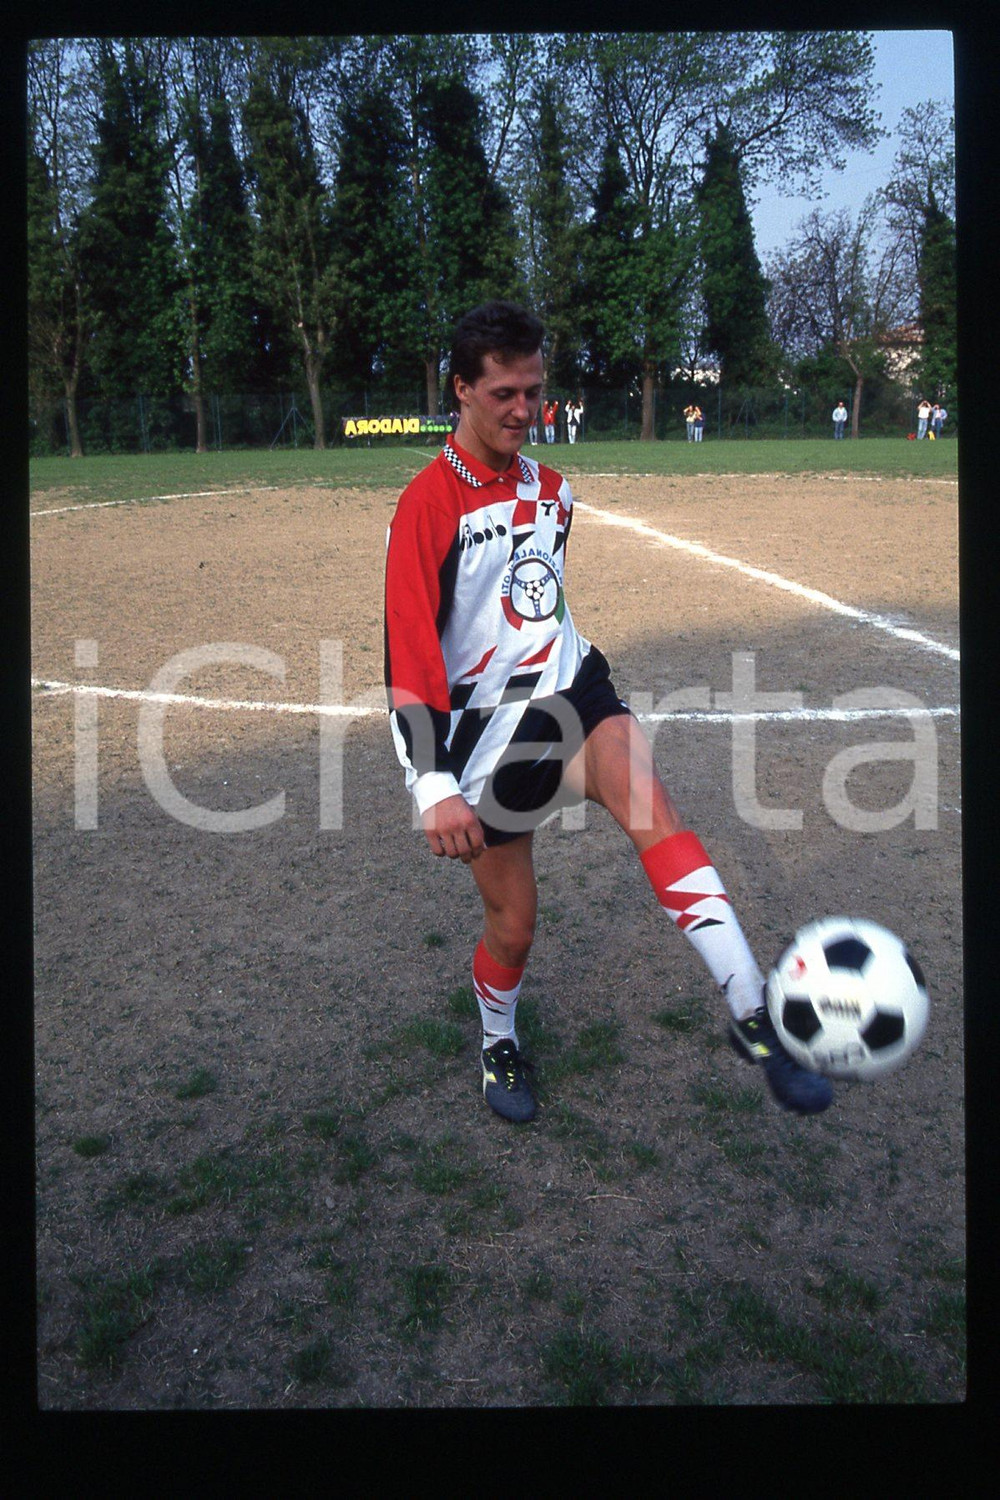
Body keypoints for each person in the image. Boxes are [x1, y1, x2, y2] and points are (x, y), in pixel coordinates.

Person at [384, 300, 833, 1124]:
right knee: (514, 929)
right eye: (505, 394)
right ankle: (496, 1038)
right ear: (462, 390)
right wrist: (431, 783)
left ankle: (754, 1013)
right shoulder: (426, 506)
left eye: (535, 391)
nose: (525, 409)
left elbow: (535, 609)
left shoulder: (553, 490)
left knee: (654, 810)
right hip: (487, 742)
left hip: (574, 692)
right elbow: (407, 652)